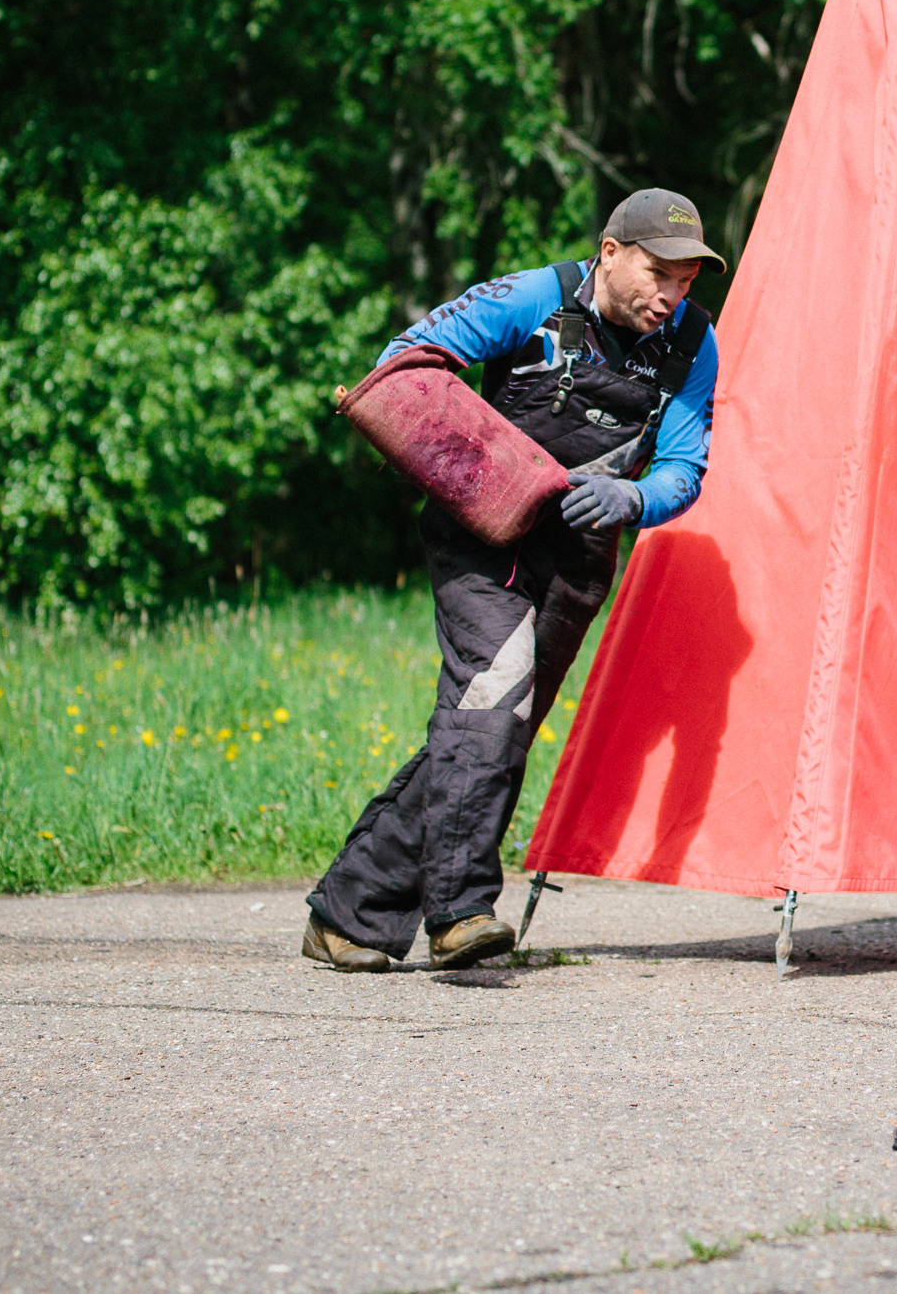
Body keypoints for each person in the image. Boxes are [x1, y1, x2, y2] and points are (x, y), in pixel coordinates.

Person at [302, 189, 724, 971]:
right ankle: (460, 912)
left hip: (580, 557)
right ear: (610, 253)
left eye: (685, 281)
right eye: (658, 273)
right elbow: (407, 358)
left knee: (495, 725)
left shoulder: (694, 343)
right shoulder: (533, 297)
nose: (670, 294)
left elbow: (683, 466)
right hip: (480, 535)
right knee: (494, 694)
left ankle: (348, 914)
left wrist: (635, 499)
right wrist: (476, 466)